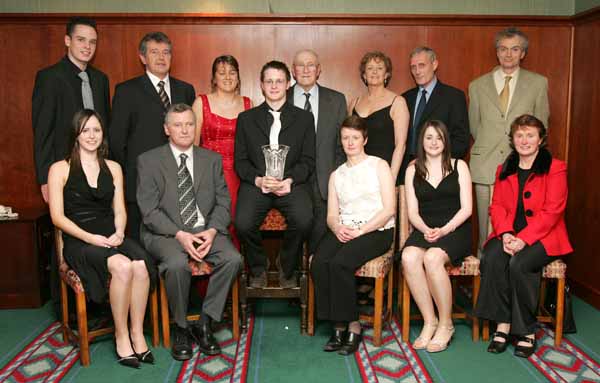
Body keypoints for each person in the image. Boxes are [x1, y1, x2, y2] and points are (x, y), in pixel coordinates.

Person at [47, 109, 157, 369]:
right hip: (80, 240)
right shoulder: (59, 168)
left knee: (141, 266)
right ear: (76, 134)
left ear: (103, 134)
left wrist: (119, 231)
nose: (91, 135)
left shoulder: (114, 168)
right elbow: (57, 218)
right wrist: (91, 238)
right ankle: (121, 336)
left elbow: (120, 209)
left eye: (96, 130)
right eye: (85, 130)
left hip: (111, 235)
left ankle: (137, 333)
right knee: (121, 265)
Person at [137, 103, 242, 361]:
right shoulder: (148, 161)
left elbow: (223, 202)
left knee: (233, 259)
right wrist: (180, 235)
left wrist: (213, 231)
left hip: (204, 231)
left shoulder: (211, 159)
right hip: (166, 234)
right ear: (166, 129)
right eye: (178, 124)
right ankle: (181, 328)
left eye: (190, 124)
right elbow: (149, 212)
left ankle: (205, 322)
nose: (185, 130)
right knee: (175, 265)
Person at [475, 114, 572, 358]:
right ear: (512, 139)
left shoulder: (555, 168)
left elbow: (553, 211)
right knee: (491, 257)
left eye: (530, 135)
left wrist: (523, 239)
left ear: (540, 139)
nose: (524, 140)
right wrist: (506, 233)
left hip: (543, 237)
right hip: (509, 233)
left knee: (519, 263)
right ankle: (503, 323)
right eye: (519, 135)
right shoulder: (504, 169)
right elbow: (496, 206)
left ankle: (526, 330)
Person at [311, 115, 395, 355]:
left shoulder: (379, 165)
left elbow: (389, 208)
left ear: (364, 139)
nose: (350, 142)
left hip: (376, 229)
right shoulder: (336, 175)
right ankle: (337, 324)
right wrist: (338, 228)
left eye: (355, 138)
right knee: (319, 262)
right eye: (345, 137)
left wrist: (361, 230)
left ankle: (353, 326)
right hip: (345, 228)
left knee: (340, 263)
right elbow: (331, 215)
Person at [469, 27, 549, 258]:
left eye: (515, 49)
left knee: (521, 227)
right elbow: (475, 126)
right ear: (497, 52)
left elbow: (541, 125)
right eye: (503, 49)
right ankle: (485, 284)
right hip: (485, 166)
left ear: (523, 53)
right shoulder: (477, 86)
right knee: (487, 231)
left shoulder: (538, 83)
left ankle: (514, 278)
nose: (508, 54)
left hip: (523, 167)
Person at [234, 60, 315, 288]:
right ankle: (258, 268)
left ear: (288, 84)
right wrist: (258, 180)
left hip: (291, 184)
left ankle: (286, 267)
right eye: (269, 81)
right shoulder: (246, 119)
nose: (274, 86)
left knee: (304, 219)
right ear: (261, 85)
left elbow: (308, 161)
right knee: (242, 222)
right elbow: (240, 162)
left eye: (279, 81)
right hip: (257, 184)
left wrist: (290, 180)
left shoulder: (304, 119)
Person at [110, 31, 195, 240]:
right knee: (140, 243)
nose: (161, 57)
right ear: (142, 57)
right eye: (154, 52)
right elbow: (116, 140)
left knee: (177, 239)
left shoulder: (185, 90)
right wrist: (125, 179)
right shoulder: (126, 91)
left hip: (178, 181)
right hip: (139, 182)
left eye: (166, 52)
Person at [400, 120, 472, 353]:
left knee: (432, 258)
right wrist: (425, 230)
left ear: (445, 141)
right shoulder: (412, 169)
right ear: (421, 141)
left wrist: (444, 230)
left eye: (438, 138)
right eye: (428, 137)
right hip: (425, 228)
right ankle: (429, 321)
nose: (433, 142)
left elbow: (467, 209)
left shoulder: (459, 165)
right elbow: (412, 212)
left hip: (455, 229)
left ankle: (445, 324)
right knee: (409, 256)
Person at [33, 16, 110, 203]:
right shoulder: (49, 78)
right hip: (64, 171)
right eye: (81, 40)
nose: (87, 46)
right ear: (67, 41)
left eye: (92, 42)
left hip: (98, 169)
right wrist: (45, 179)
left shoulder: (101, 80)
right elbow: (43, 132)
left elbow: (105, 127)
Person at [287, 49, 347, 254]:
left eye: (311, 65)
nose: (305, 70)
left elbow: (342, 145)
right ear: (293, 71)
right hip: (291, 181)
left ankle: (314, 278)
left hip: (325, 180)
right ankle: (292, 275)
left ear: (319, 70)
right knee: (296, 228)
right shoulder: (280, 98)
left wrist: (335, 176)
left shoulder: (337, 100)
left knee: (320, 238)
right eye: (300, 65)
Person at [191, 55, 252, 250]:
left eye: (232, 72)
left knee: (238, 221)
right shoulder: (201, 103)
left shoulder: (249, 103)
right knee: (211, 222)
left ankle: (237, 269)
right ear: (214, 78)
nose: (227, 77)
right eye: (222, 72)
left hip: (240, 174)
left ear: (238, 77)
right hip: (209, 173)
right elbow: (191, 145)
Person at [401, 46, 469, 183]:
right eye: (413, 67)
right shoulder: (405, 98)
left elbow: (461, 141)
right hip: (408, 172)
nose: (417, 71)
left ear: (435, 64)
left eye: (421, 65)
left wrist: (430, 161)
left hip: (442, 173)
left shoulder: (454, 97)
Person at [349, 51, 409, 185]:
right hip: (358, 175)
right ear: (364, 75)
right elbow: (348, 140)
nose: (374, 72)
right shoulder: (354, 103)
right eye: (370, 68)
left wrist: (391, 178)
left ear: (386, 74)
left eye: (379, 68)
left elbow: (400, 145)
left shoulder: (398, 102)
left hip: (384, 174)